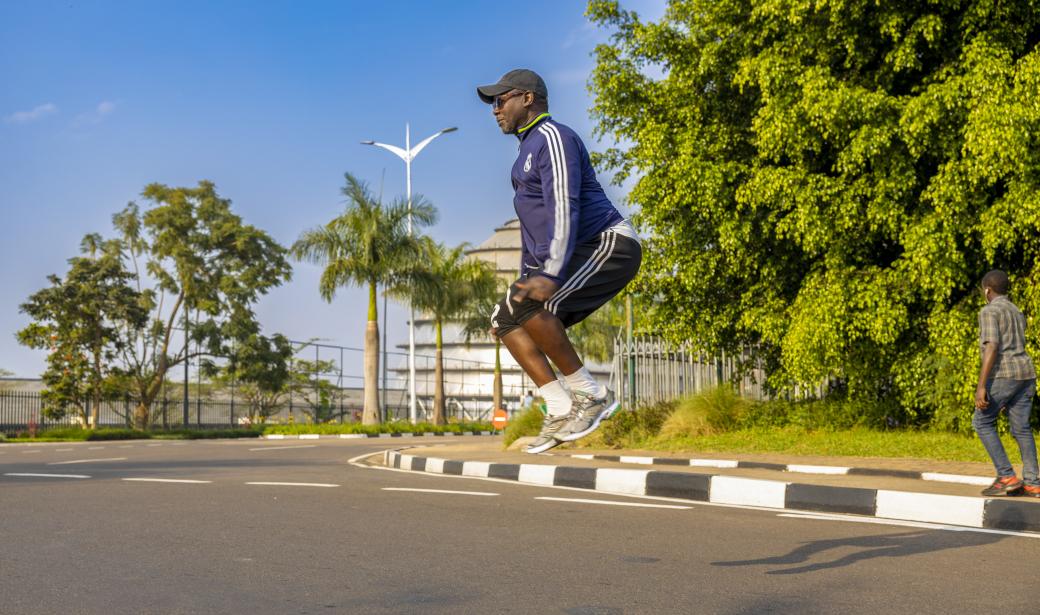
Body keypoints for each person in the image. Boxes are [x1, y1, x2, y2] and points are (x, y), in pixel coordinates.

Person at [477, 69, 642, 454]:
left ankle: (592, 394)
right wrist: (524, 284)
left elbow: (565, 207)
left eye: (500, 100)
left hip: (608, 243)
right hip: (573, 252)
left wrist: (548, 275)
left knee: (531, 301)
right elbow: (535, 232)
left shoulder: (553, 137)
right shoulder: (524, 155)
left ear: (527, 98)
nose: (495, 110)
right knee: (505, 318)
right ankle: (560, 405)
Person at [973, 269, 1040, 497]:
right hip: (1027, 374)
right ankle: (1033, 482)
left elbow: (991, 346)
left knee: (981, 421)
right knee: (1021, 428)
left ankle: (1006, 476)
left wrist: (982, 385)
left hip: (1005, 374)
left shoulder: (989, 311)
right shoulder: (1016, 310)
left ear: (987, 290)